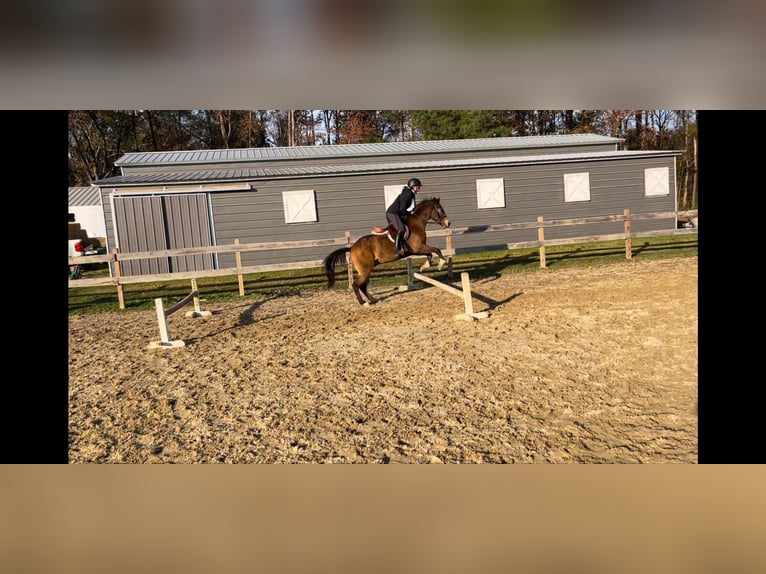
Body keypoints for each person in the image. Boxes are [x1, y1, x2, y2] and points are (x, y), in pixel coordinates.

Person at [386, 177, 422, 256]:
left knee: (406, 226)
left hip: (397, 213)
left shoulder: (411, 194)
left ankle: (403, 245)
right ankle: (397, 250)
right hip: (393, 213)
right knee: (401, 228)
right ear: (413, 186)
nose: (419, 188)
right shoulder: (408, 195)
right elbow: (402, 210)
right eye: (418, 186)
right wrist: (410, 213)